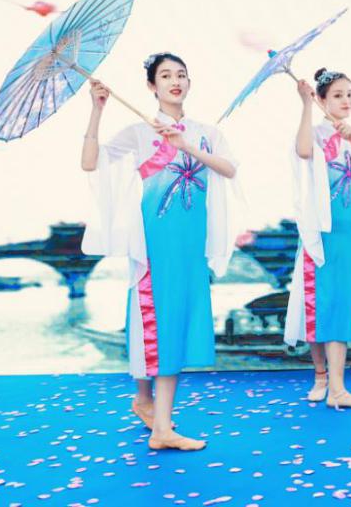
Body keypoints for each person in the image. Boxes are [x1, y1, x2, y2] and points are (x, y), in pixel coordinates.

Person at [82, 52, 240, 451]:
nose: (175, 81)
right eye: (166, 75)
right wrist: (97, 110)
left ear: (189, 82)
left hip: (191, 244)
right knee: (159, 321)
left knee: (169, 321)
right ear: (152, 86)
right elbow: (90, 162)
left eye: (181, 74)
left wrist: (186, 146)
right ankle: (162, 429)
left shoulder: (206, 133)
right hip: (155, 243)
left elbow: (229, 169)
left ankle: (146, 402)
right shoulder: (140, 132)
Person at [283, 68, 351, 409]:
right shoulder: (314, 134)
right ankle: (323, 378)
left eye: (349, 94)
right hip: (323, 235)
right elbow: (302, 151)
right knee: (320, 304)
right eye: (338, 95)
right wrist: (304, 104)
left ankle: (337, 387)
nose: (346, 101)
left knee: (343, 305)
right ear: (322, 99)